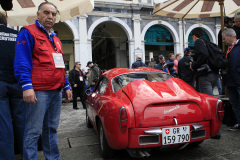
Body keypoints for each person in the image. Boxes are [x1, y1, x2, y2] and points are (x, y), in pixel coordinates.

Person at [14, 2, 72, 160]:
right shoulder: (27, 33)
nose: (50, 16)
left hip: (56, 91)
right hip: (38, 91)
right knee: (33, 132)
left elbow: (60, 65)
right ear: (38, 14)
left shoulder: (56, 39)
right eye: (47, 13)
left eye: (53, 14)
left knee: (51, 129)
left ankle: (53, 158)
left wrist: (66, 85)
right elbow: (21, 61)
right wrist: (26, 86)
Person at [0, 12, 25, 159]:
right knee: (22, 122)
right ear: (6, 23)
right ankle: (27, 155)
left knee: (3, 126)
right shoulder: (18, 35)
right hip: (18, 84)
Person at [190, 27, 219, 96]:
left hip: (205, 74)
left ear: (194, 36)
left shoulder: (198, 41)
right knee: (210, 95)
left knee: (208, 97)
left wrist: (194, 65)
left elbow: (204, 55)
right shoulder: (206, 42)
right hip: (214, 73)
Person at [222, 28, 240, 130]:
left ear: (230, 36)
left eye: (224, 39)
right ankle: (239, 121)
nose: (223, 41)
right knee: (234, 103)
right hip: (230, 80)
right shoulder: (228, 49)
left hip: (238, 79)